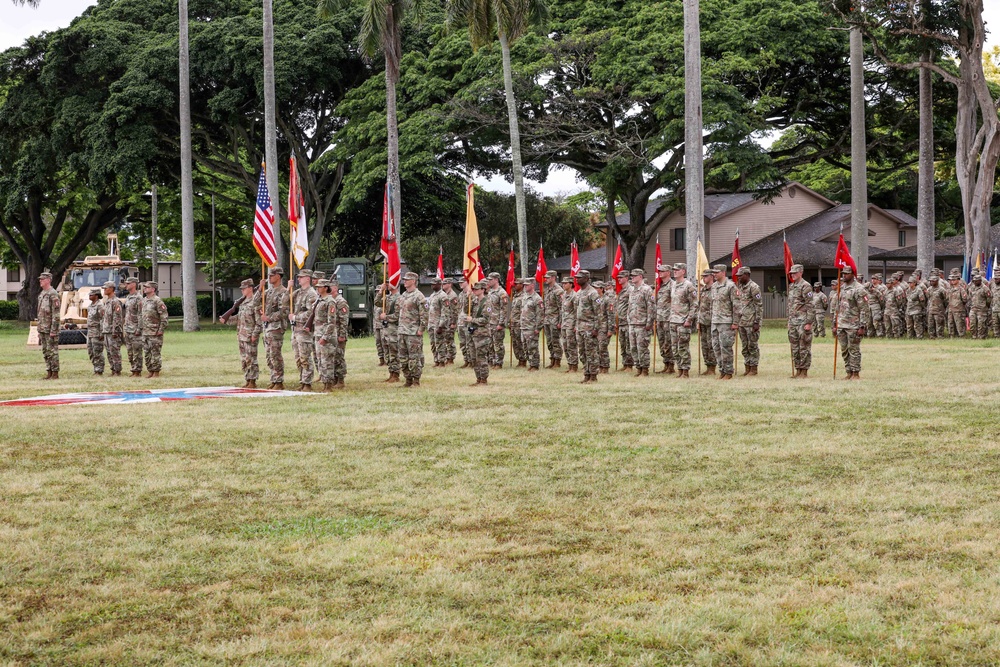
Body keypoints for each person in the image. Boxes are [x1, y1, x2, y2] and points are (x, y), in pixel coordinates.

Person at [834, 266, 871, 380]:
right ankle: (848, 371)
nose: (844, 275)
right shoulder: (842, 288)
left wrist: (862, 326)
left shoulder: (859, 289)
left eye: (847, 273)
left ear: (853, 274)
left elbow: (864, 309)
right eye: (843, 273)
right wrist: (835, 324)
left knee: (854, 349)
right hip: (842, 324)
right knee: (844, 350)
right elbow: (837, 307)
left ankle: (855, 373)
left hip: (854, 325)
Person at [223, 279, 262, 388]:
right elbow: (240, 317)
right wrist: (227, 319)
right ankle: (247, 379)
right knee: (244, 359)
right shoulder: (243, 302)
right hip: (241, 334)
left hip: (250, 335)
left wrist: (255, 334)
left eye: (244, 288)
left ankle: (253, 380)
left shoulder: (255, 302)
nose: (242, 291)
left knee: (251, 358)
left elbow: (259, 322)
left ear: (250, 288)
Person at [397, 271, 429, 387]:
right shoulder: (403, 295)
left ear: (413, 281)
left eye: (407, 279)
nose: (404, 281)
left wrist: (421, 329)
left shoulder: (418, 296)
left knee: (414, 357)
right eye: (404, 279)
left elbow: (424, 315)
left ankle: (416, 380)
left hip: (413, 332)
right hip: (402, 331)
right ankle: (408, 379)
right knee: (403, 357)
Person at [575, 270, 606, 383]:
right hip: (580, 327)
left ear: (587, 279)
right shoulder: (578, 293)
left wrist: (596, 329)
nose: (577, 279)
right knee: (582, 353)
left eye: (580, 277)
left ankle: (593, 376)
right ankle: (586, 374)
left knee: (591, 353)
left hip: (590, 327)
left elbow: (599, 313)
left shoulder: (592, 293)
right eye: (576, 277)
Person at [261, 267, 289, 389]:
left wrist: (269, 318)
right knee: (269, 355)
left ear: (278, 276)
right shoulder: (269, 291)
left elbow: (284, 312)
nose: (269, 277)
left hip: (276, 327)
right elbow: (256, 300)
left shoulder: (283, 292)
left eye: (272, 275)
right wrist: (260, 287)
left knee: (275, 354)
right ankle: (273, 378)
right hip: (267, 328)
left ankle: (279, 381)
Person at [668, 263, 698, 378]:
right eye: (674, 270)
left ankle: (685, 370)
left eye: (677, 270)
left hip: (683, 321)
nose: (674, 271)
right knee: (675, 348)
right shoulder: (674, 285)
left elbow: (694, 304)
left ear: (683, 271)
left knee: (683, 347)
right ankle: (679, 369)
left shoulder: (688, 286)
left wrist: (689, 319)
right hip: (673, 320)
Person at [290, 269, 317, 390]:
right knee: (298, 358)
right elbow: (285, 300)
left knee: (305, 357)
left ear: (308, 278)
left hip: (304, 330)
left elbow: (311, 312)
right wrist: (288, 288)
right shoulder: (299, 292)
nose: (299, 279)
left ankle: (307, 382)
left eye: (301, 277)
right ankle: (302, 380)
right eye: (299, 277)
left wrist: (296, 317)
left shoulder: (311, 294)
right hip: (296, 330)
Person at [710, 264, 739, 380]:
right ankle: (722, 370)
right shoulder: (714, 286)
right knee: (716, 347)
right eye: (714, 272)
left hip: (726, 322)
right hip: (715, 321)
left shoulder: (731, 286)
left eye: (716, 272)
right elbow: (713, 304)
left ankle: (728, 372)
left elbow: (736, 306)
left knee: (726, 347)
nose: (714, 274)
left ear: (723, 273)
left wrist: (735, 322)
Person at [626, 268, 655, 377]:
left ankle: (645, 369)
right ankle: (638, 367)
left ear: (640, 277)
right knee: (633, 348)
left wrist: (649, 323)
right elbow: (630, 306)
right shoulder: (632, 290)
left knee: (642, 348)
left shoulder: (646, 289)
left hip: (642, 324)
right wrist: (628, 319)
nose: (632, 277)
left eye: (634, 275)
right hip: (632, 323)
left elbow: (651, 307)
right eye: (631, 276)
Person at [734, 266, 762, 376]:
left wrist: (757, 322)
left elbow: (759, 306)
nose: (739, 277)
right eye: (738, 276)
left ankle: (754, 368)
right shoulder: (739, 287)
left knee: (752, 346)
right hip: (742, 322)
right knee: (745, 346)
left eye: (741, 275)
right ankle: (747, 367)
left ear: (747, 275)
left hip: (751, 322)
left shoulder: (754, 287)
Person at [787, 264, 813, 378]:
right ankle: (798, 369)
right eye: (791, 273)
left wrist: (808, 322)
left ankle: (804, 370)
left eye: (795, 273)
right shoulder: (792, 286)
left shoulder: (805, 286)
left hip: (802, 321)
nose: (793, 275)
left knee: (804, 346)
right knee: (794, 347)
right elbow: (790, 305)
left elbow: (810, 305)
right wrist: (789, 321)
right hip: (793, 321)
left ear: (801, 273)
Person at [312, 279, 339, 391]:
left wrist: (325, 337)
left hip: (326, 335)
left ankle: (328, 384)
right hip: (318, 333)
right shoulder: (319, 300)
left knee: (327, 361)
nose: (317, 288)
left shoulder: (330, 301)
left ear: (325, 288)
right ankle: (324, 382)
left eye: (320, 287)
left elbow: (331, 322)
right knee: (320, 360)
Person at [464, 280, 491, 385]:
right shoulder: (474, 301)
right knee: (473, 358)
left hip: (482, 334)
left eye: (477, 289)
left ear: (483, 290)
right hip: (473, 333)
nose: (474, 290)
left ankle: (484, 379)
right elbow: (466, 310)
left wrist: (473, 320)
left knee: (481, 357)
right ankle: (478, 378)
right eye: (474, 289)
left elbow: (485, 320)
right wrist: (468, 298)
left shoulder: (487, 302)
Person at [140, 281, 168, 378]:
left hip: (155, 332)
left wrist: (160, 330)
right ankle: (150, 370)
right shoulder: (144, 300)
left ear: (153, 289)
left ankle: (156, 372)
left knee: (155, 353)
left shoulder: (157, 301)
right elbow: (141, 316)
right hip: (145, 332)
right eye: (144, 287)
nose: (145, 289)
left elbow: (164, 317)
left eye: (147, 287)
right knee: (147, 353)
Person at [328, 277, 350, 388]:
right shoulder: (329, 300)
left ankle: (340, 380)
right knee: (333, 357)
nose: (328, 288)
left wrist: (342, 335)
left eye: (330, 286)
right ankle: (334, 379)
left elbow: (344, 320)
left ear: (335, 288)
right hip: (332, 334)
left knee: (339, 357)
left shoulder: (340, 301)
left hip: (339, 334)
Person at [379, 281, 401, 382]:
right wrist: (380, 291)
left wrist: (386, 317)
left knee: (394, 352)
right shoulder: (388, 297)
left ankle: (396, 374)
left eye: (389, 283)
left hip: (394, 329)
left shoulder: (399, 298)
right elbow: (377, 302)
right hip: (387, 329)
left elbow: (397, 316)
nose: (387, 285)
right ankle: (391, 373)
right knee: (387, 352)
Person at [122, 277, 144, 377]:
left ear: (134, 284)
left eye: (128, 283)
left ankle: (137, 371)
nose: (126, 285)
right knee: (130, 352)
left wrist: (139, 328)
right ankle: (133, 369)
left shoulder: (138, 298)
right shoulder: (128, 297)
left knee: (137, 351)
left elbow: (141, 314)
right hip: (128, 328)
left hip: (135, 329)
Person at [101, 281, 125, 377]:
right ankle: (113, 369)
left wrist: (116, 331)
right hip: (107, 331)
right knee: (109, 352)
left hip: (113, 331)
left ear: (111, 289)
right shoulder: (107, 302)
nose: (104, 290)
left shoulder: (115, 301)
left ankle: (117, 370)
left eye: (106, 288)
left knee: (115, 351)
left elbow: (117, 318)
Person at [519, 278, 543, 371]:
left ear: (532, 285)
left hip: (531, 327)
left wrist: (538, 327)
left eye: (527, 285)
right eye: (524, 285)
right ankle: (530, 363)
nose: (525, 286)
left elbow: (540, 314)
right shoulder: (524, 297)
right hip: (524, 326)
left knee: (532, 347)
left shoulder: (537, 299)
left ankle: (535, 365)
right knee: (525, 346)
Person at [485, 272, 508, 368]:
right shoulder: (490, 292)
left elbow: (504, 309)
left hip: (497, 322)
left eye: (491, 279)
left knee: (498, 344)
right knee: (490, 344)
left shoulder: (502, 293)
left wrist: (501, 323)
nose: (489, 281)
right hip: (490, 322)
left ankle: (499, 363)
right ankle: (492, 361)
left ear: (496, 280)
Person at [655, 264, 674, 374]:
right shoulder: (660, 285)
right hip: (660, 318)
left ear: (668, 272)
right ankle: (666, 364)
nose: (660, 272)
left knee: (668, 342)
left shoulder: (672, 285)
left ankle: (671, 365)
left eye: (663, 271)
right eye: (659, 271)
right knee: (662, 342)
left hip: (668, 318)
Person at [698, 270, 716, 375]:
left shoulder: (715, 289)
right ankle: (707, 365)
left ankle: (712, 367)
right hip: (703, 321)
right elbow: (700, 305)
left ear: (711, 276)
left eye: (706, 276)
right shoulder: (703, 290)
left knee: (711, 344)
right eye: (703, 276)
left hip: (712, 321)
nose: (704, 278)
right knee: (704, 344)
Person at [543, 270, 563, 368]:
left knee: (555, 341)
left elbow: (561, 308)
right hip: (547, 319)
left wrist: (560, 322)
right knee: (549, 341)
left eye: (548, 277)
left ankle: (557, 360)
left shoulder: (558, 290)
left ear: (553, 278)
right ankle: (552, 359)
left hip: (555, 320)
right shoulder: (547, 290)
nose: (545, 279)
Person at [615, 272, 634, 370]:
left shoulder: (630, 290)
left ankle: (629, 364)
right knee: (622, 343)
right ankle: (625, 363)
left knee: (628, 343)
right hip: (621, 321)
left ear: (626, 278)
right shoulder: (621, 290)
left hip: (627, 321)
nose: (619, 279)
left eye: (621, 277)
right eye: (618, 278)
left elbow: (632, 305)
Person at [438, 279, 460, 365]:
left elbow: (455, 310)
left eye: (445, 283)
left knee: (449, 340)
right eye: (442, 283)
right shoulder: (445, 295)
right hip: (445, 321)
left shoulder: (453, 295)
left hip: (450, 321)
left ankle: (451, 358)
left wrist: (453, 322)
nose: (443, 285)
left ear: (450, 284)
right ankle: (447, 356)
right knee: (446, 339)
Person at [560, 277, 579, 372]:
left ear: (571, 284)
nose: (563, 285)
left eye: (566, 283)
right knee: (565, 345)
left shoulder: (574, 296)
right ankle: (569, 364)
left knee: (571, 345)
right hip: (564, 323)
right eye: (563, 283)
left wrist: (576, 325)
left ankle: (574, 365)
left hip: (571, 324)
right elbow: (562, 310)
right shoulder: (564, 295)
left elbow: (577, 312)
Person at [595, 281, 613, 373]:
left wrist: (610, 329)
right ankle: (599, 366)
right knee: (597, 348)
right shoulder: (596, 299)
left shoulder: (607, 299)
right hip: (596, 327)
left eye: (597, 288)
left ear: (602, 289)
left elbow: (610, 315)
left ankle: (605, 366)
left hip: (604, 327)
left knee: (602, 347)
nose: (595, 289)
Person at [456, 277, 474, 368]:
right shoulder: (460, 295)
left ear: (467, 282)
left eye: (462, 282)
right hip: (461, 321)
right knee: (462, 342)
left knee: (469, 342)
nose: (460, 283)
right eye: (459, 282)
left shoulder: (472, 294)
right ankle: (466, 360)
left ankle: (471, 361)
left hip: (468, 322)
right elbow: (459, 309)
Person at [967, 271, 991, 339]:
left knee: (981, 324)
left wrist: (985, 306)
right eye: (974, 281)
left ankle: (981, 337)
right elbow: (970, 296)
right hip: (973, 308)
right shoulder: (971, 287)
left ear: (980, 281)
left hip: (982, 309)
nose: (975, 282)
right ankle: (974, 336)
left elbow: (989, 299)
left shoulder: (985, 288)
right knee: (972, 324)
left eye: (976, 281)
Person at [86, 291, 105, 375]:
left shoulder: (100, 306)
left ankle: (99, 370)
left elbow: (102, 319)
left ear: (96, 296)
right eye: (89, 294)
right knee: (91, 351)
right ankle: (95, 367)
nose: (89, 296)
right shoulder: (90, 306)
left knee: (97, 351)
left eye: (91, 295)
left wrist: (101, 332)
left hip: (97, 332)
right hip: (90, 331)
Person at [946, 269, 968, 337]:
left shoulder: (961, 289)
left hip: (959, 310)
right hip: (951, 309)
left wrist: (959, 305)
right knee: (951, 324)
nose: (952, 281)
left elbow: (965, 300)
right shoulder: (950, 289)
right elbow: (947, 299)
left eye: (954, 280)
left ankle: (962, 337)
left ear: (958, 280)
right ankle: (952, 336)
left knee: (960, 325)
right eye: (951, 280)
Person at [925, 275, 948, 339]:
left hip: (939, 310)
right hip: (930, 310)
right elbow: (928, 298)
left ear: (937, 281)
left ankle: (940, 336)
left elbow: (945, 299)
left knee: (939, 324)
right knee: (930, 324)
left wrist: (942, 307)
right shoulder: (929, 289)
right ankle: (932, 336)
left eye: (933, 281)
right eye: (930, 281)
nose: (931, 282)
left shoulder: (942, 289)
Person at [427, 278, 444, 366]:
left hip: (438, 323)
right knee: (433, 343)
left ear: (439, 284)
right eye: (432, 284)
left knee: (439, 343)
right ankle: (436, 360)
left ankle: (441, 361)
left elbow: (445, 312)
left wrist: (441, 326)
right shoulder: (432, 295)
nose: (432, 285)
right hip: (431, 323)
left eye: (434, 284)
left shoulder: (443, 296)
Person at [510, 280, 526, 367]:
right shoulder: (515, 296)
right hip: (513, 323)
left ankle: (523, 360)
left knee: (520, 342)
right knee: (515, 343)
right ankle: (519, 359)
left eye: (516, 284)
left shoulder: (524, 296)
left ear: (522, 285)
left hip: (519, 323)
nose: (514, 285)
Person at [373, 281, 387, 366]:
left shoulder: (385, 301)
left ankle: (386, 359)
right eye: (376, 291)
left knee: (384, 342)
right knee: (378, 343)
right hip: (376, 325)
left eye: (379, 291)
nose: (378, 292)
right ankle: (381, 359)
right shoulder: (376, 303)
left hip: (383, 326)